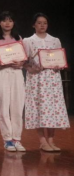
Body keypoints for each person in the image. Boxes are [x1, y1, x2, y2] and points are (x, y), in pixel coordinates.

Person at [23, 13, 70, 152]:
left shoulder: (55, 40)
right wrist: (31, 68)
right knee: (38, 108)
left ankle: (51, 140)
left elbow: (60, 59)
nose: (42, 25)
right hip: (36, 78)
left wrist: (59, 66)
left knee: (52, 108)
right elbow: (24, 61)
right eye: (39, 22)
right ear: (33, 25)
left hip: (52, 78)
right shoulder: (28, 41)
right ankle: (42, 141)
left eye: (45, 23)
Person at [0, 12, 26, 152]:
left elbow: (23, 57)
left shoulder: (18, 38)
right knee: (3, 107)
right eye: (4, 20)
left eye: (10, 20)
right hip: (2, 73)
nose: (7, 23)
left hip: (16, 73)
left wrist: (21, 63)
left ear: (13, 23)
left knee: (18, 107)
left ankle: (17, 139)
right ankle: (7, 139)